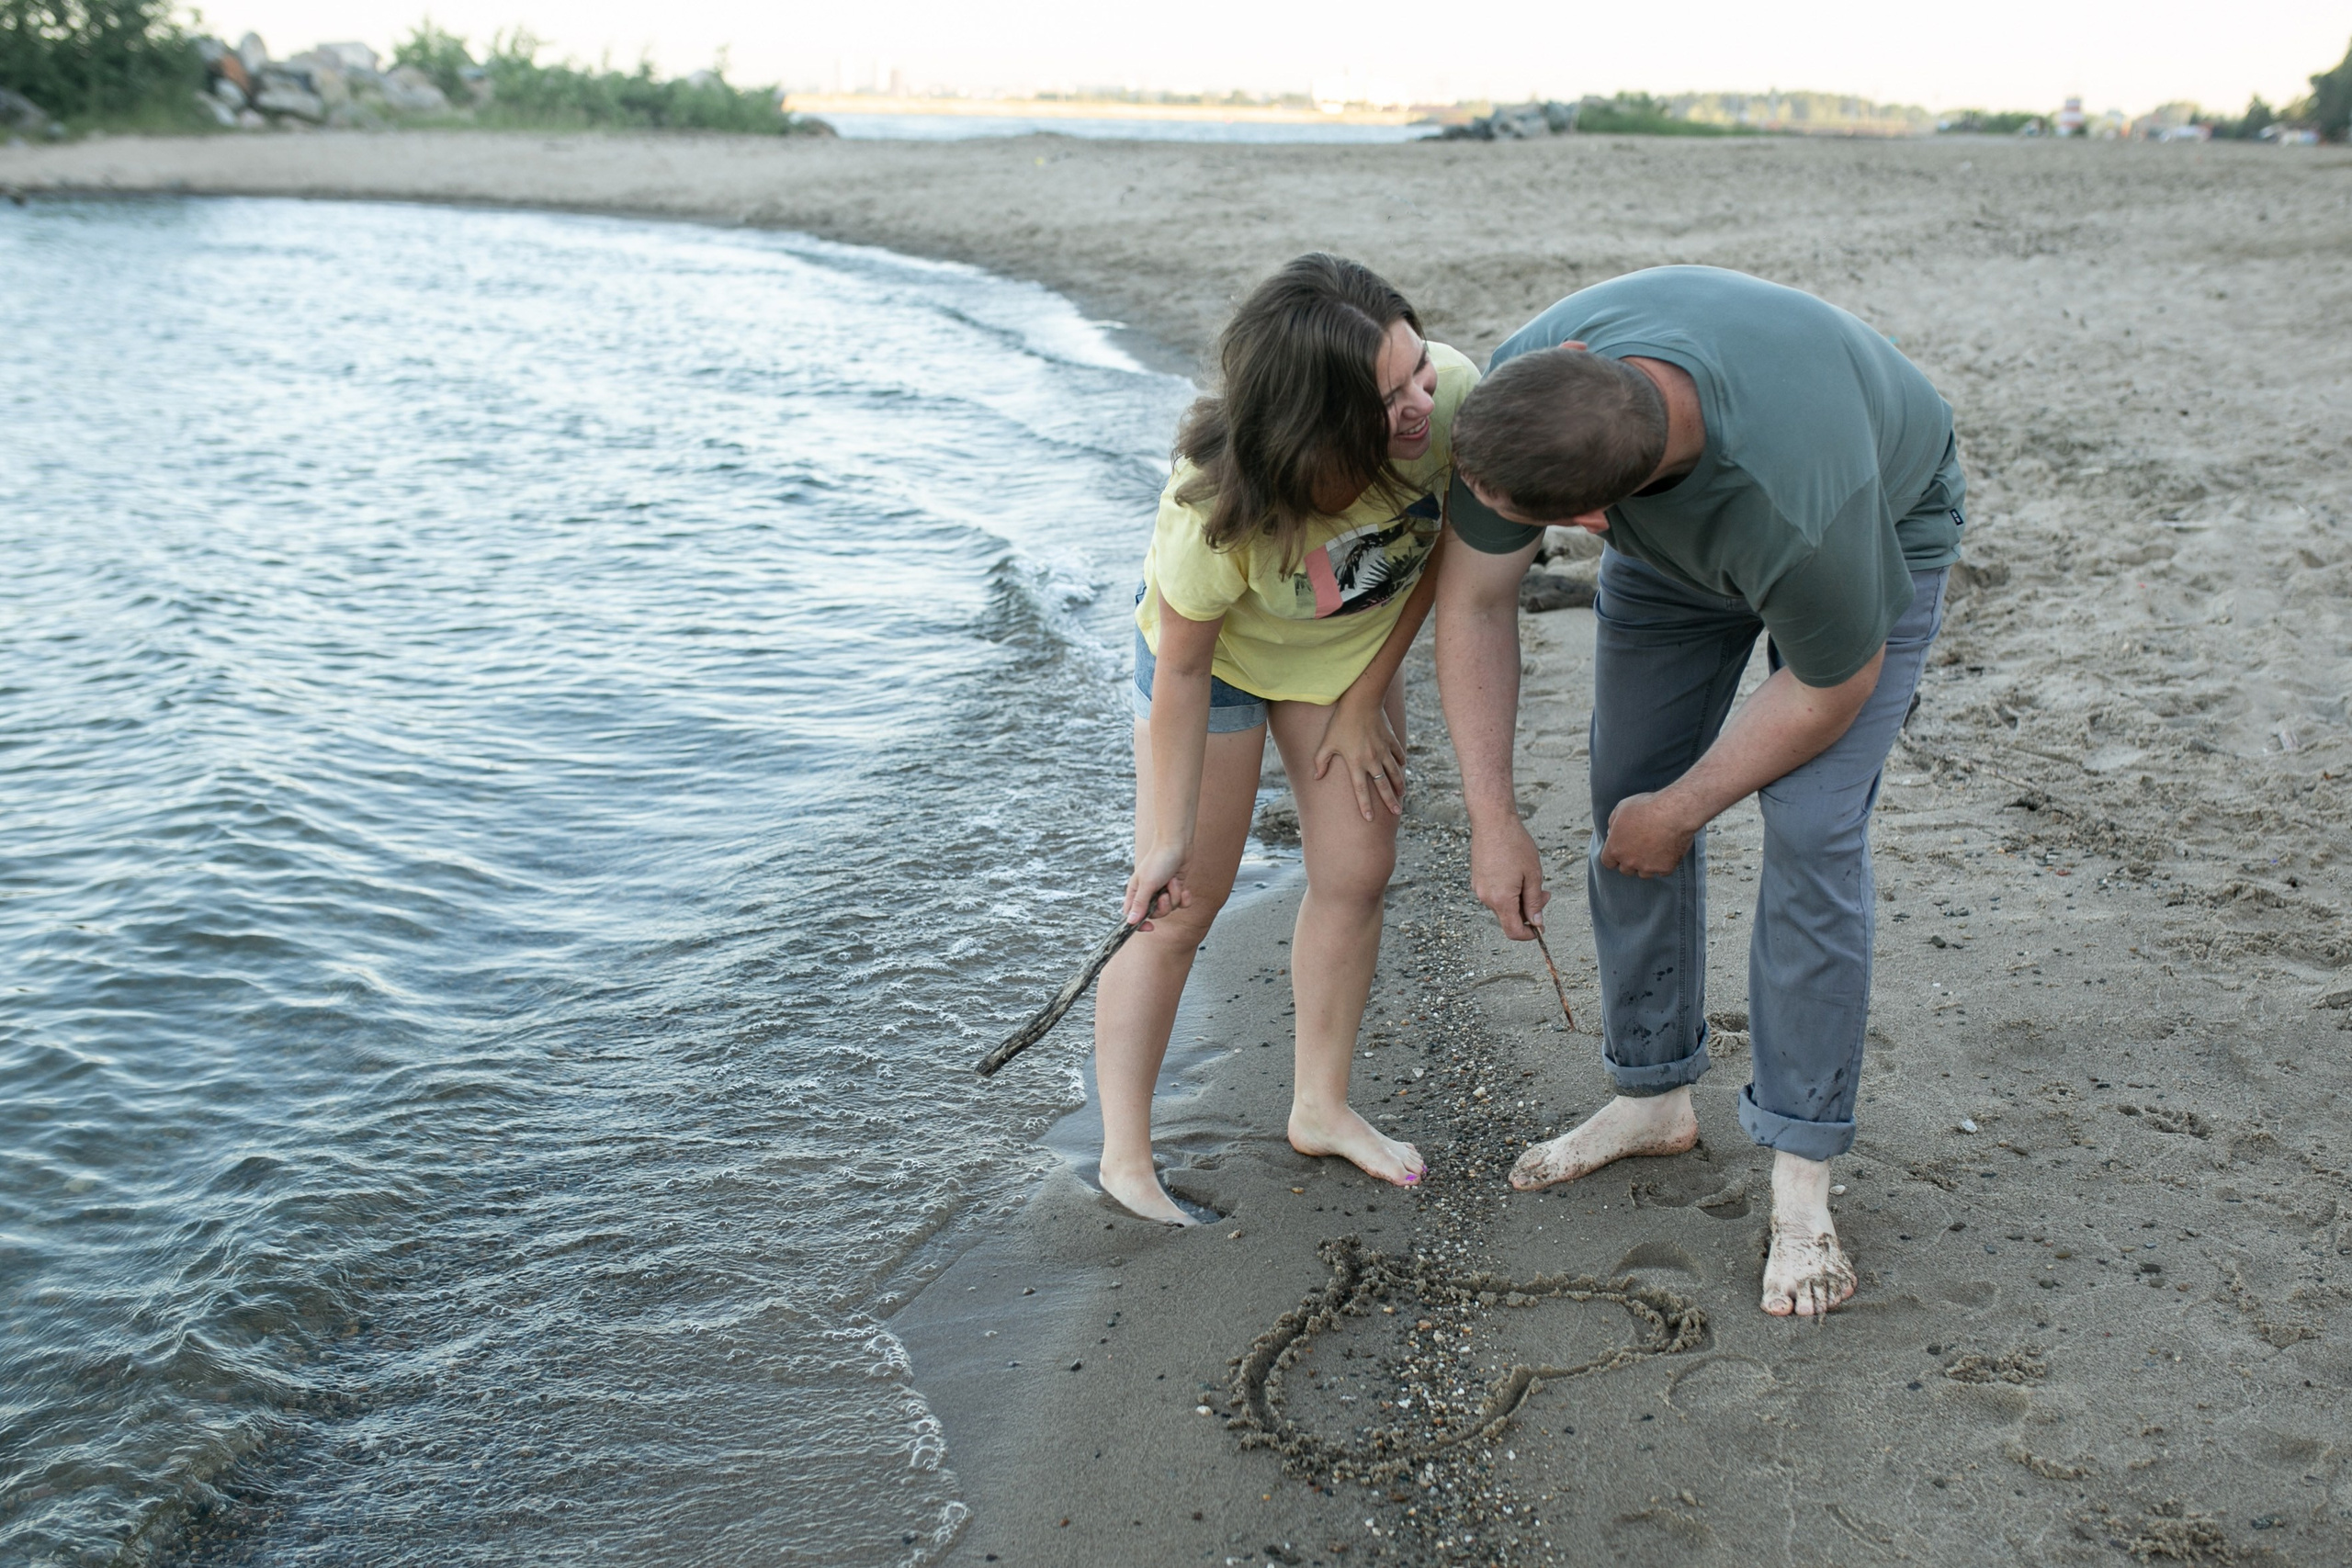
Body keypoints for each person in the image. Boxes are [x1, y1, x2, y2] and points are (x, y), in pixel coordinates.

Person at [1433, 265, 1965, 1314]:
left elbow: (1827, 688)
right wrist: (1491, 818)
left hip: (1874, 529)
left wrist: (1685, 810)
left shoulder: (1800, 503)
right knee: (1623, 792)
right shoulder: (1534, 387)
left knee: (1810, 828)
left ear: (1590, 518)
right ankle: (1651, 1097)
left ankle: (1802, 1182)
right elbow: (1475, 604)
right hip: (1678, 544)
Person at [1095, 253, 1477, 1224]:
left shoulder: (1451, 404)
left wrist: (1364, 698)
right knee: (1181, 902)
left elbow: (1446, 554)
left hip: (1346, 659)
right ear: (1319, 426)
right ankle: (1125, 1156)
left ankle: (1321, 1105)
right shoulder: (1215, 510)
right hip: (1213, 669)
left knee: (1357, 869)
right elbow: (1181, 668)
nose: (1420, 403)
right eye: (1389, 397)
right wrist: (1165, 835)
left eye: (1417, 370)